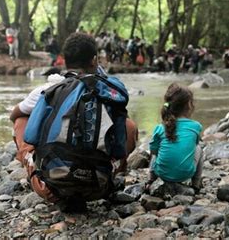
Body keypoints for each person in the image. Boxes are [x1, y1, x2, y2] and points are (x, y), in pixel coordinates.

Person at [10, 32, 138, 212]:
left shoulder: (49, 89)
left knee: (22, 119)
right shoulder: (108, 92)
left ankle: (36, 171)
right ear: (94, 60)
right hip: (98, 186)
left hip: (53, 187)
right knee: (129, 125)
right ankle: (112, 174)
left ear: (62, 60)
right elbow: (119, 144)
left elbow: (20, 122)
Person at [146, 83, 203, 193]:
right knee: (198, 149)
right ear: (189, 105)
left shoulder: (160, 127)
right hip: (186, 174)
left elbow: (153, 151)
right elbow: (193, 146)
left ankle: (150, 180)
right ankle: (196, 184)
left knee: (156, 151)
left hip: (162, 173)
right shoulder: (196, 126)